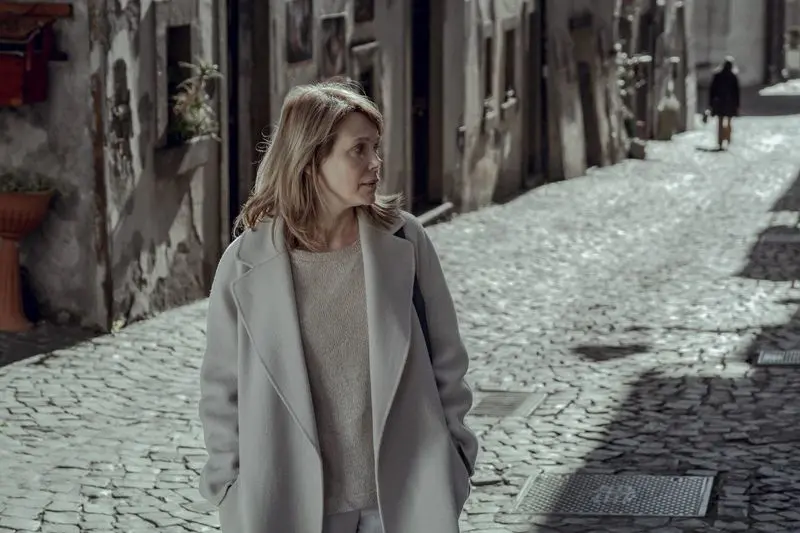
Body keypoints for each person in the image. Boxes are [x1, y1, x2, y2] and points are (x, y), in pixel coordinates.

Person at [197, 79, 479, 533]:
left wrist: (456, 459)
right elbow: (220, 388)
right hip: (290, 502)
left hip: (400, 500)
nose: (376, 163)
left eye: (375, 147)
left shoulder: (405, 241)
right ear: (311, 161)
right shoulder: (245, 263)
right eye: (359, 150)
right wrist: (229, 486)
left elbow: (446, 359)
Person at [708, 56, 741, 150]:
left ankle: (720, 140)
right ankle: (728, 139)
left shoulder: (718, 75)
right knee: (729, 122)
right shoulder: (733, 76)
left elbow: (712, 90)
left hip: (719, 102)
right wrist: (737, 104)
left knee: (720, 122)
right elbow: (736, 92)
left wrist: (711, 103)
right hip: (730, 103)